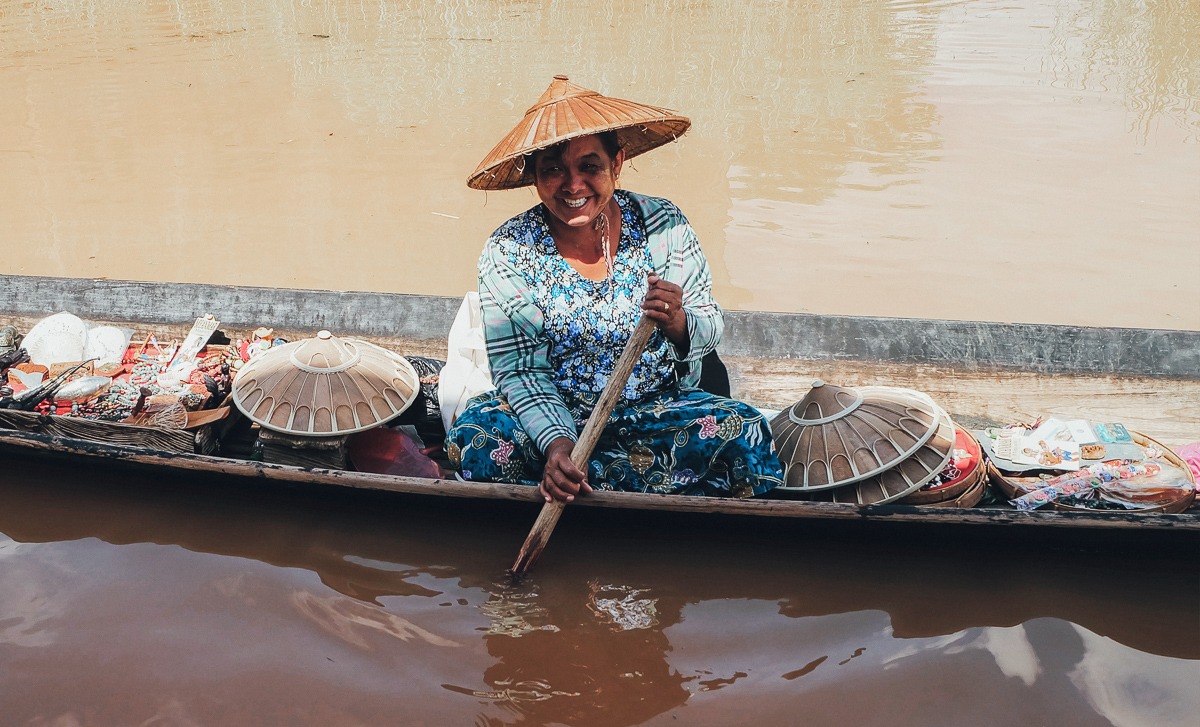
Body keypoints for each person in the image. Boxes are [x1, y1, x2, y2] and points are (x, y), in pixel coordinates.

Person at [447, 75, 782, 502]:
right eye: (553, 169)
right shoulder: (508, 250)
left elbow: (710, 325)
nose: (573, 185)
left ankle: (593, 484)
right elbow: (521, 372)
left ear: (617, 163)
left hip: (655, 410)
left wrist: (678, 321)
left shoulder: (663, 224)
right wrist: (559, 446)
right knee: (475, 438)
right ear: (534, 176)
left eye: (590, 166)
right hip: (553, 418)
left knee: (747, 431)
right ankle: (598, 480)